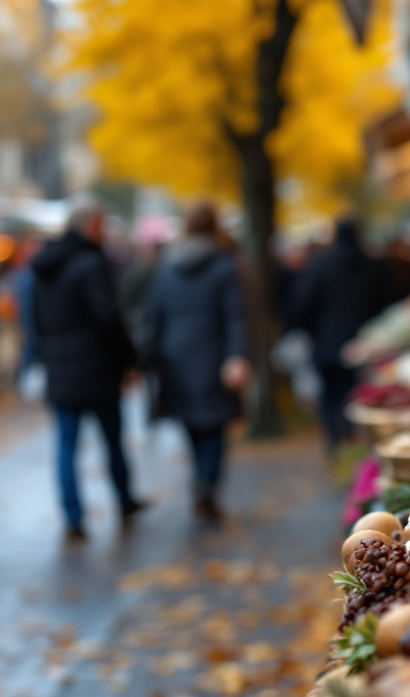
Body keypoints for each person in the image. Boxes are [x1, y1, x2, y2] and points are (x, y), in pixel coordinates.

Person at [31, 196, 147, 540]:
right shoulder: (91, 263)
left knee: (67, 444)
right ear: (90, 225)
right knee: (112, 438)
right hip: (96, 367)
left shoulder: (44, 266)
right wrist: (128, 361)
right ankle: (123, 499)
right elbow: (107, 317)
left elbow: (35, 318)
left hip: (60, 366)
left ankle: (73, 516)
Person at [146, 201, 248, 521]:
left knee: (192, 423)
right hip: (213, 353)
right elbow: (235, 316)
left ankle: (200, 481)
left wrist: (150, 357)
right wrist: (235, 354)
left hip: (175, 355)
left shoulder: (167, 265)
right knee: (215, 426)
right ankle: (207, 484)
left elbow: (154, 315)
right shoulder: (225, 264)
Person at [286, 219, 391, 449]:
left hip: (327, 345)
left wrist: (312, 332)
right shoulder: (374, 266)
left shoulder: (320, 266)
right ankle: (354, 445)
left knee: (331, 397)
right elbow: (387, 301)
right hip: (365, 344)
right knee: (362, 396)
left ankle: (337, 443)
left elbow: (303, 304)